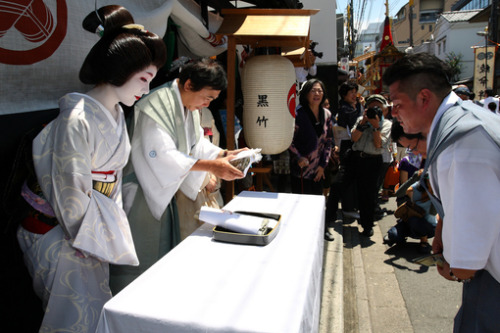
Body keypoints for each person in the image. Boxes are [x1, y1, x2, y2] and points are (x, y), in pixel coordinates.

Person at [15, 5, 167, 332]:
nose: (145, 89)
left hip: (90, 231)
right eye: (143, 78)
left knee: (93, 309)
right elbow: (70, 190)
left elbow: (107, 183)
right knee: (71, 316)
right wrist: (90, 238)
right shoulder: (77, 118)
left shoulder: (112, 115)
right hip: (61, 232)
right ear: (118, 71)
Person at [383, 52, 500, 332]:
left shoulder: (461, 143)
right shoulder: (462, 121)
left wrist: (456, 264)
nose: (393, 113)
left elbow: (469, 254)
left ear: (424, 98)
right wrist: (442, 231)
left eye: (397, 104)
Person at [110, 58, 246, 293]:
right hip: (143, 190)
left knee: (161, 256)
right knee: (141, 256)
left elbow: (195, 144)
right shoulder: (155, 105)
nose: (206, 104)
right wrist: (212, 167)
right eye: (207, 97)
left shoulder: (188, 106)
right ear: (189, 84)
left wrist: (224, 153)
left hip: (164, 190)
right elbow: (161, 155)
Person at [288, 79, 334, 241]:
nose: (317, 94)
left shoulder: (327, 114)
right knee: (301, 202)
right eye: (313, 90)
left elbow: (328, 142)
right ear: (306, 93)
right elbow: (289, 140)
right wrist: (298, 157)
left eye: (320, 91)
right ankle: (303, 233)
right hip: (301, 168)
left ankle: (322, 229)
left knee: (318, 201)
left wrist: (323, 166)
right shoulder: (297, 114)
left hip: (318, 168)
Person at [348, 95, 392, 237]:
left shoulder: (387, 125)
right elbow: (353, 138)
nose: (375, 109)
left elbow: (379, 145)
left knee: (370, 195)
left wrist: (375, 127)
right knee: (355, 191)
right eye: (371, 106)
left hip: (373, 161)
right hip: (357, 159)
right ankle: (358, 216)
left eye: (378, 107)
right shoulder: (361, 120)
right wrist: (363, 124)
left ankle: (367, 225)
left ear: (384, 110)